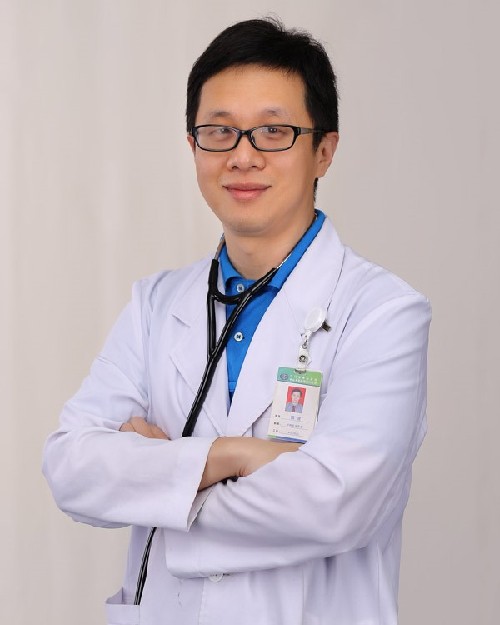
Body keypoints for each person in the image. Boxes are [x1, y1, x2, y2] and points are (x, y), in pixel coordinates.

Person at [43, 17, 431, 625]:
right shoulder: (155, 305)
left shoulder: (382, 312)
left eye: (274, 131)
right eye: (219, 132)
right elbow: (72, 469)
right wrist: (231, 455)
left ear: (323, 150)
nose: (243, 156)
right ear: (193, 146)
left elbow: (336, 505)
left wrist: (159, 482)